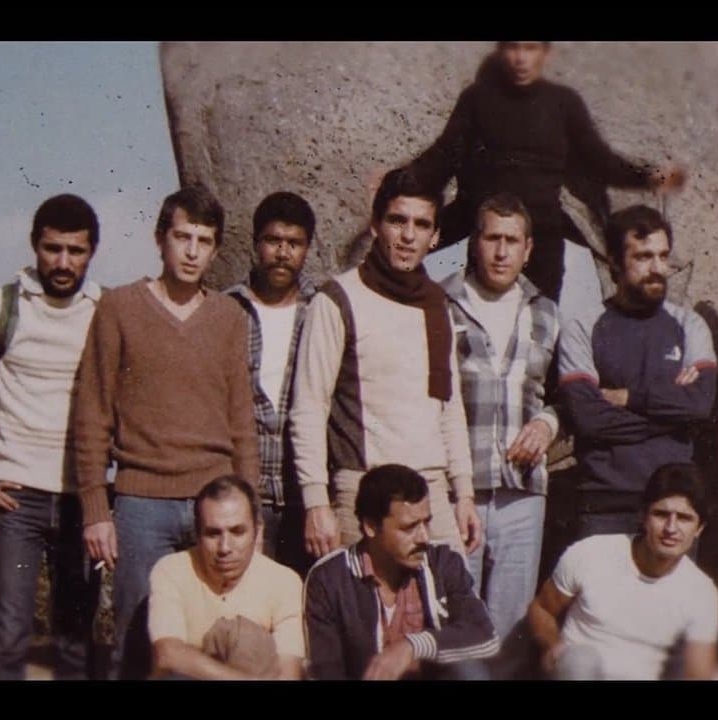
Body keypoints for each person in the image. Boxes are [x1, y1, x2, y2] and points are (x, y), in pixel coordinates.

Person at [73, 185, 259, 678]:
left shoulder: (229, 318)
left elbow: (242, 421)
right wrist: (96, 509)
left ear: (215, 250)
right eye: (183, 237)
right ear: (161, 239)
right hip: (141, 505)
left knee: (214, 640)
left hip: (214, 503)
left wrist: (250, 514)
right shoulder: (118, 307)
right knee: (139, 643)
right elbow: (92, 412)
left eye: (204, 240)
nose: (193, 251)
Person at [291, 168, 481, 559]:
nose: (408, 235)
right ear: (376, 225)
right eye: (397, 220)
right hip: (363, 489)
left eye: (421, 224)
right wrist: (316, 502)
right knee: (362, 599)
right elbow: (309, 405)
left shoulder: (437, 306)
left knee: (452, 595)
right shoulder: (336, 299)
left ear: (435, 236)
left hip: (431, 491)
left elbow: (448, 407)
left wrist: (464, 493)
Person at [409, 40, 685, 302]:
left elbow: (598, 159)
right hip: (489, 233)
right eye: (513, 47)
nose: (521, 58)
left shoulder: (563, 103)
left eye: (530, 48)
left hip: (543, 236)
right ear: (501, 50)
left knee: (540, 318)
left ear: (546, 53)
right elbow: (443, 156)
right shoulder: (477, 99)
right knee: (480, 310)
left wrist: (648, 177)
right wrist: (400, 182)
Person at [0, 194, 105, 680]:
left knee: (74, 642)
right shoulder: (1, 305)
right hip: (16, 499)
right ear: (34, 246)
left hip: (82, 499)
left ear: (92, 252)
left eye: (75, 251)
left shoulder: (104, 311)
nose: (63, 262)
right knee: (8, 636)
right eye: (52, 249)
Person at [440, 192, 561, 639]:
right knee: (455, 623)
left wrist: (548, 423)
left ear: (528, 249)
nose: (501, 251)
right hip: (458, 490)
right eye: (492, 238)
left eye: (512, 241)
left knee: (510, 634)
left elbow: (566, 396)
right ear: (475, 242)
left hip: (522, 492)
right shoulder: (441, 302)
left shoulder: (546, 312)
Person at [557, 205, 717, 538]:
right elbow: (589, 418)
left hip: (672, 506)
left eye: (663, 256)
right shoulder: (583, 327)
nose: (658, 268)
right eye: (643, 257)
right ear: (614, 263)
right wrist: (672, 417)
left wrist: (630, 398)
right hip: (604, 503)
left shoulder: (689, 325)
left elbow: (700, 404)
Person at [303, 464, 499, 680]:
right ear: (370, 526)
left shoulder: (442, 562)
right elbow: (326, 671)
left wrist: (412, 646)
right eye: (409, 527)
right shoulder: (330, 579)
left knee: (471, 671)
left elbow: (485, 637)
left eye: (426, 523)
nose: (423, 537)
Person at [527, 463, 718, 680]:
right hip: (581, 673)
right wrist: (552, 646)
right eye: (661, 514)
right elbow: (541, 609)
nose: (671, 528)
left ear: (699, 528)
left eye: (684, 518)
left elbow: (698, 671)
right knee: (580, 661)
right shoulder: (592, 552)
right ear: (643, 516)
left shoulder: (701, 592)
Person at [224, 192, 319, 572]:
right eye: (273, 241)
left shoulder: (321, 310)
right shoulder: (227, 308)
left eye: (294, 243)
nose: (282, 253)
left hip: (304, 497)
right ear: (255, 244)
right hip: (243, 495)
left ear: (307, 248)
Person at [148, 475, 305, 680]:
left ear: (257, 531)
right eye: (213, 533)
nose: (224, 548)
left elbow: (288, 673)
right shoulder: (171, 570)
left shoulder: (284, 582)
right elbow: (168, 655)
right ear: (197, 535)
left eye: (237, 532)